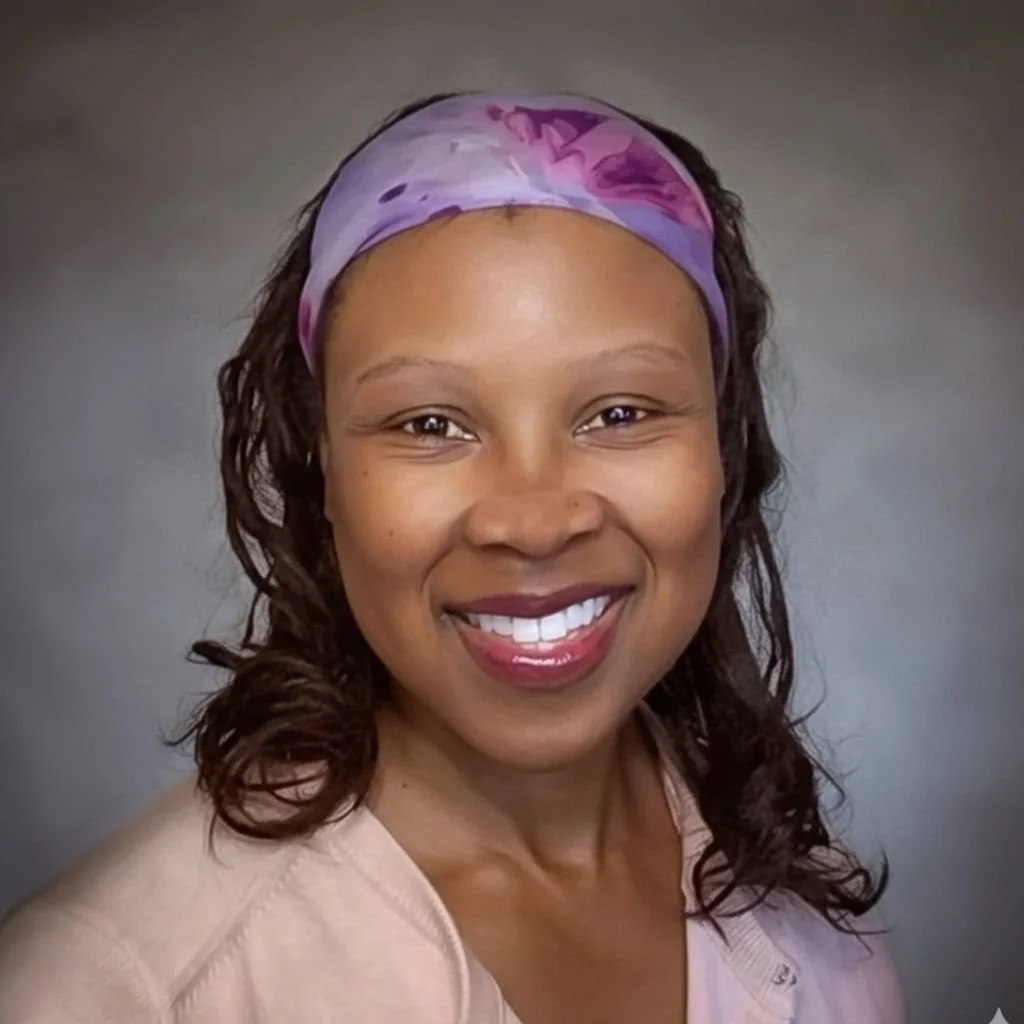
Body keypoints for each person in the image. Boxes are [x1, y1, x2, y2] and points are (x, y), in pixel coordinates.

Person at [0, 90, 905, 1023]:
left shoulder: (808, 906)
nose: (534, 519)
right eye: (430, 424)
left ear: (725, 446)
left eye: (620, 413)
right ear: (322, 471)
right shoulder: (111, 990)